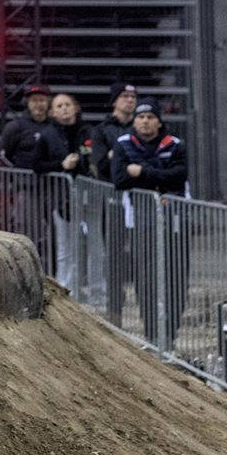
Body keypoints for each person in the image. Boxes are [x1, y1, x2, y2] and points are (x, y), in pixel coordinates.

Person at [112, 101, 189, 344]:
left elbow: (178, 178)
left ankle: (170, 334)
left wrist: (142, 173)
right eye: (141, 117)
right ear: (134, 121)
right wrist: (160, 177)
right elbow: (120, 180)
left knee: (176, 276)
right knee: (146, 277)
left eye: (150, 117)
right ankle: (152, 333)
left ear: (159, 121)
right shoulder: (123, 144)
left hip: (174, 221)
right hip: (141, 220)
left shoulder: (175, 145)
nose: (145, 121)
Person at [33, 91, 88, 290]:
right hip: (61, 196)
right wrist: (61, 165)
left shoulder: (87, 131)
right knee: (65, 246)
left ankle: (94, 290)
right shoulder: (47, 135)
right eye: (59, 106)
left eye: (67, 105)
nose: (64, 109)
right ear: (52, 112)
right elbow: (37, 164)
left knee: (92, 245)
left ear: (75, 108)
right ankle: (64, 287)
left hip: (88, 194)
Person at [87, 83, 138, 182]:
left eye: (133, 96)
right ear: (114, 101)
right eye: (125, 96)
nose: (130, 100)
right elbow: (100, 165)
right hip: (111, 185)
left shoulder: (141, 128)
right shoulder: (101, 130)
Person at [0, 83, 56, 170]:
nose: (38, 104)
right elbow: (4, 156)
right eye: (34, 100)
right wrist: (16, 172)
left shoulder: (55, 126)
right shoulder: (15, 126)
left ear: (48, 103)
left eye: (42, 100)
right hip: (23, 176)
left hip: (50, 176)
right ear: (27, 103)